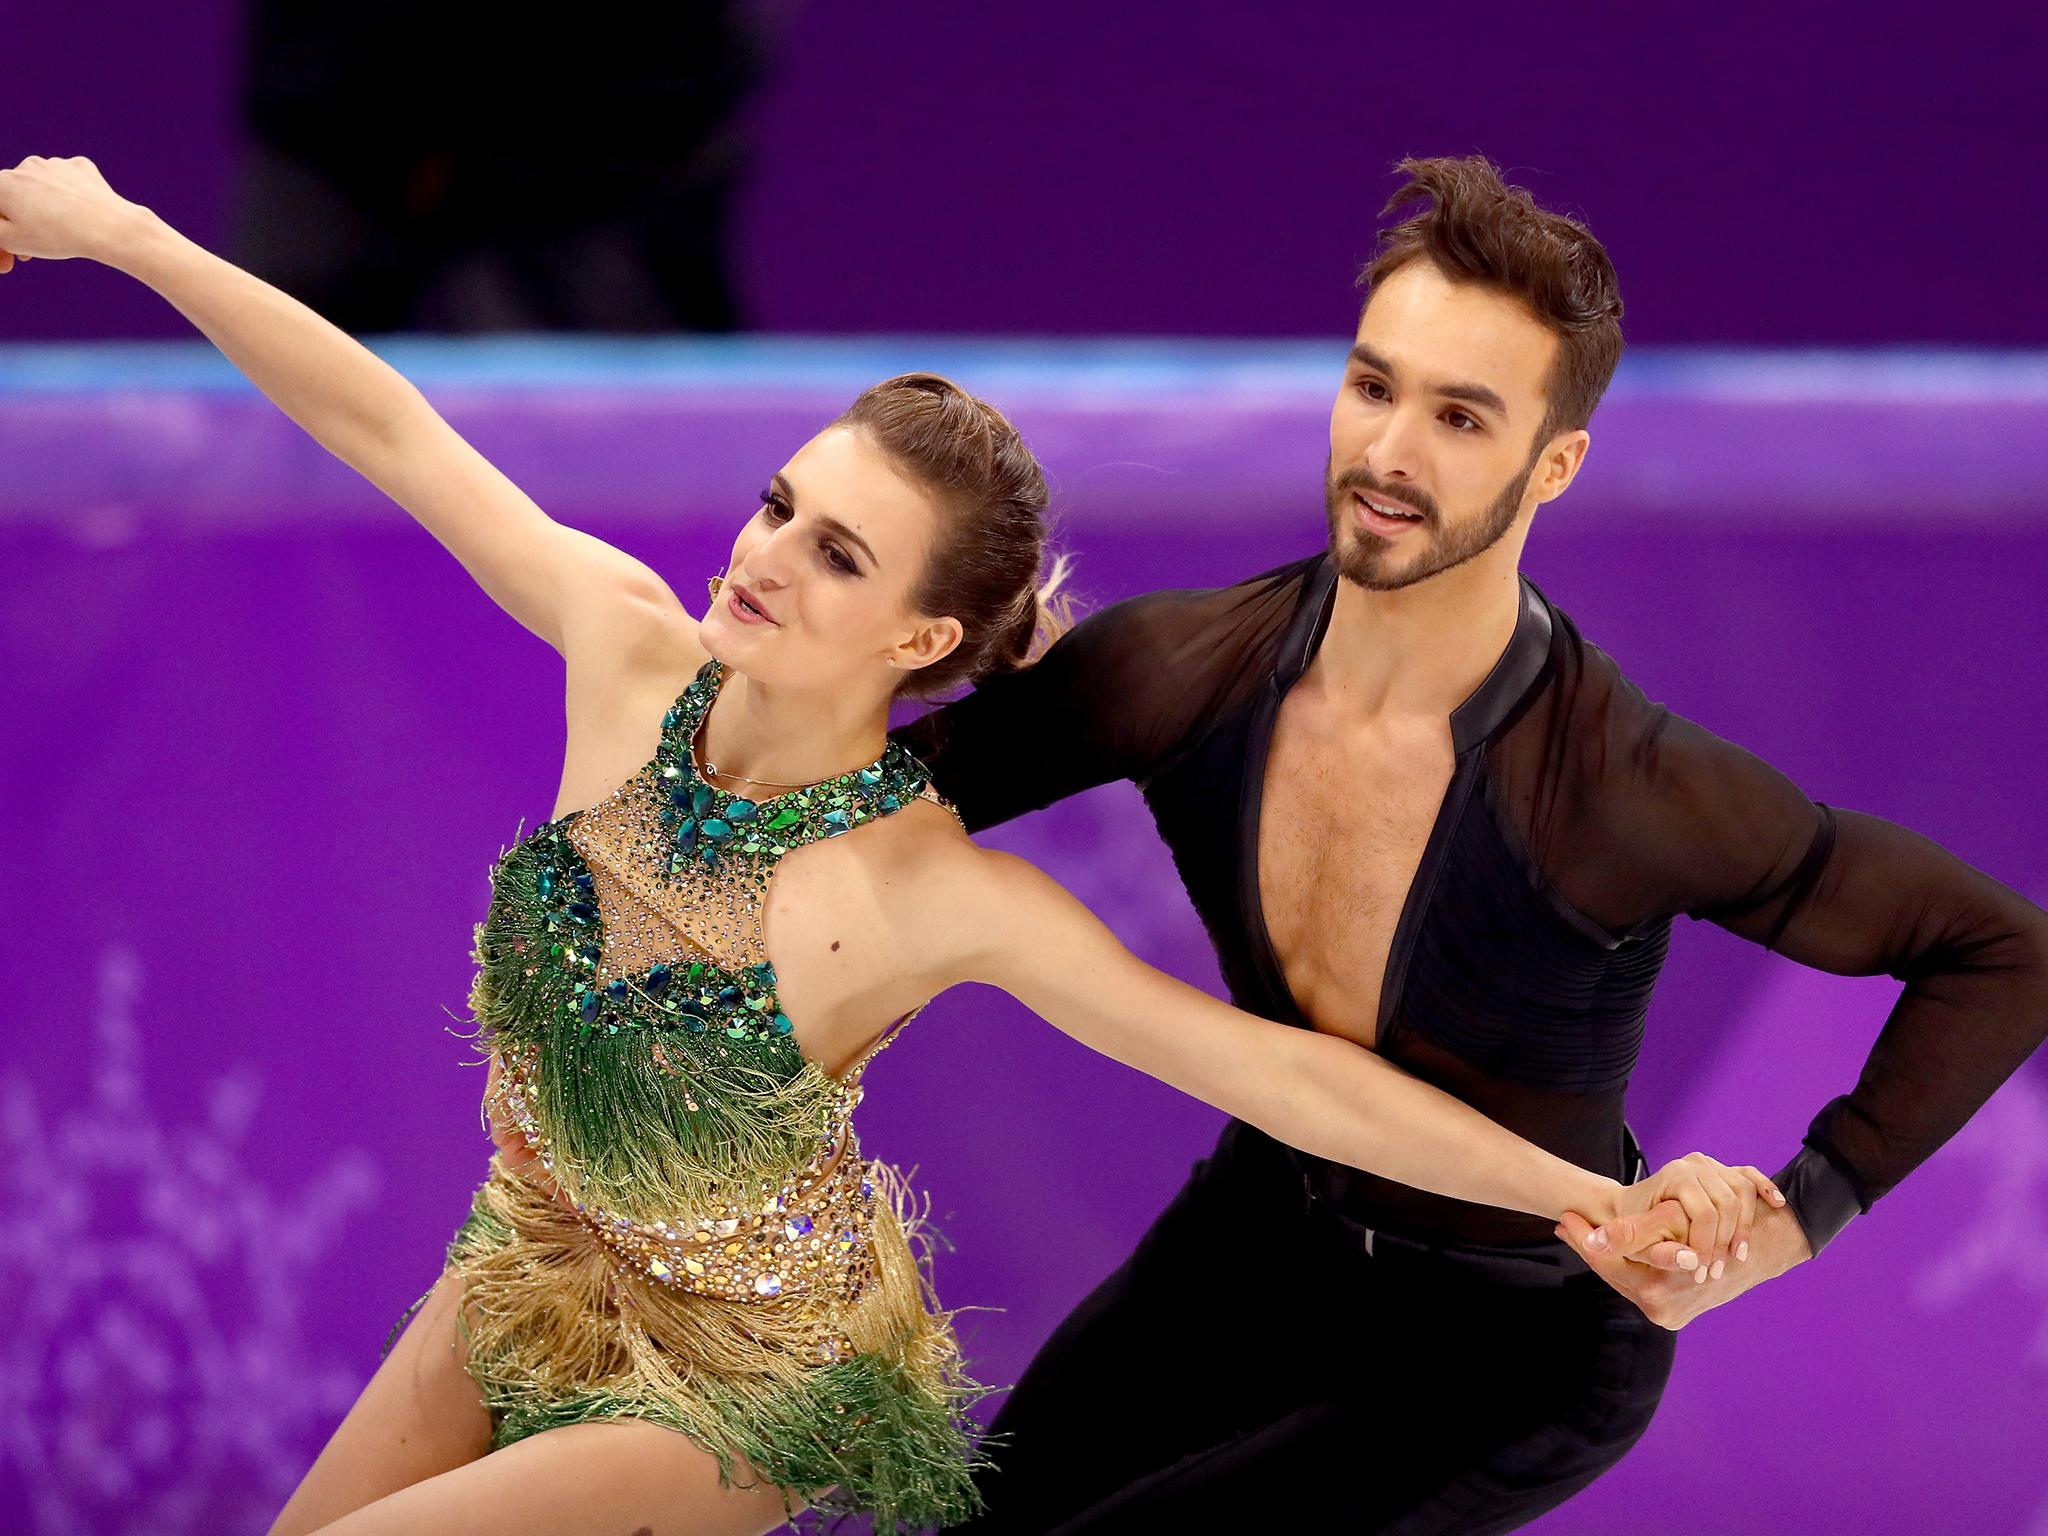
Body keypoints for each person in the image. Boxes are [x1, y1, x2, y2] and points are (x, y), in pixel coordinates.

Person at [0, 157, 1779, 1535]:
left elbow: (1280, 1077)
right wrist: (128, 236)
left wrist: (1593, 1200)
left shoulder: (932, 887)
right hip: (526, 1264)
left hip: (744, 1387)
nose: (762, 557)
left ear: (925, 641)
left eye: (838, 558)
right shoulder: (628, 650)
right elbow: (378, 419)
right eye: (784, 504)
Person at [887, 153, 2048, 1534]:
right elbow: (859, 813)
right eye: (1374, 387)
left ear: (1553, 465)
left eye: (1461, 418)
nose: (1388, 455)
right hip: (1256, 1241)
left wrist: (1799, 1218)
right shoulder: (1176, 670)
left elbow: (2000, 952)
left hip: (1517, 1347)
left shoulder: (1626, 790)